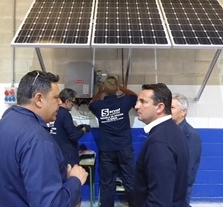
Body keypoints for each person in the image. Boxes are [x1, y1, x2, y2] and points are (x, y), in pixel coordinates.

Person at [0, 70, 88, 207]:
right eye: (55, 97)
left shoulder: (0, 126)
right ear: (39, 99)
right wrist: (75, 180)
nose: (59, 102)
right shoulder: (38, 139)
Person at [134, 83, 189, 207]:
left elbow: (159, 200)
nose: (137, 106)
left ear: (159, 107)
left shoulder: (159, 142)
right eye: (138, 101)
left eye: (143, 102)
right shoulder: (172, 130)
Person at [89, 76, 137, 207]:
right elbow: (134, 96)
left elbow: (91, 103)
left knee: (107, 184)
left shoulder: (98, 105)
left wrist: (100, 91)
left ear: (104, 88)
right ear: (116, 89)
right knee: (129, 181)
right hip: (125, 148)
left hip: (107, 151)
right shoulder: (124, 102)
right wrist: (120, 87)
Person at [172, 93, 202, 206]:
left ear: (184, 112)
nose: (168, 111)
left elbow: (186, 167)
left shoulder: (190, 135)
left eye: (172, 107)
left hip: (180, 187)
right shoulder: (169, 131)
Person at [50, 88, 91, 166]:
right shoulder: (65, 114)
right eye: (73, 102)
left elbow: (63, 130)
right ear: (67, 101)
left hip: (56, 155)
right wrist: (84, 129)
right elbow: (73, 136)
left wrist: (78, 128)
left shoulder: (53, 112)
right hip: (67, 157)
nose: (73, 104)